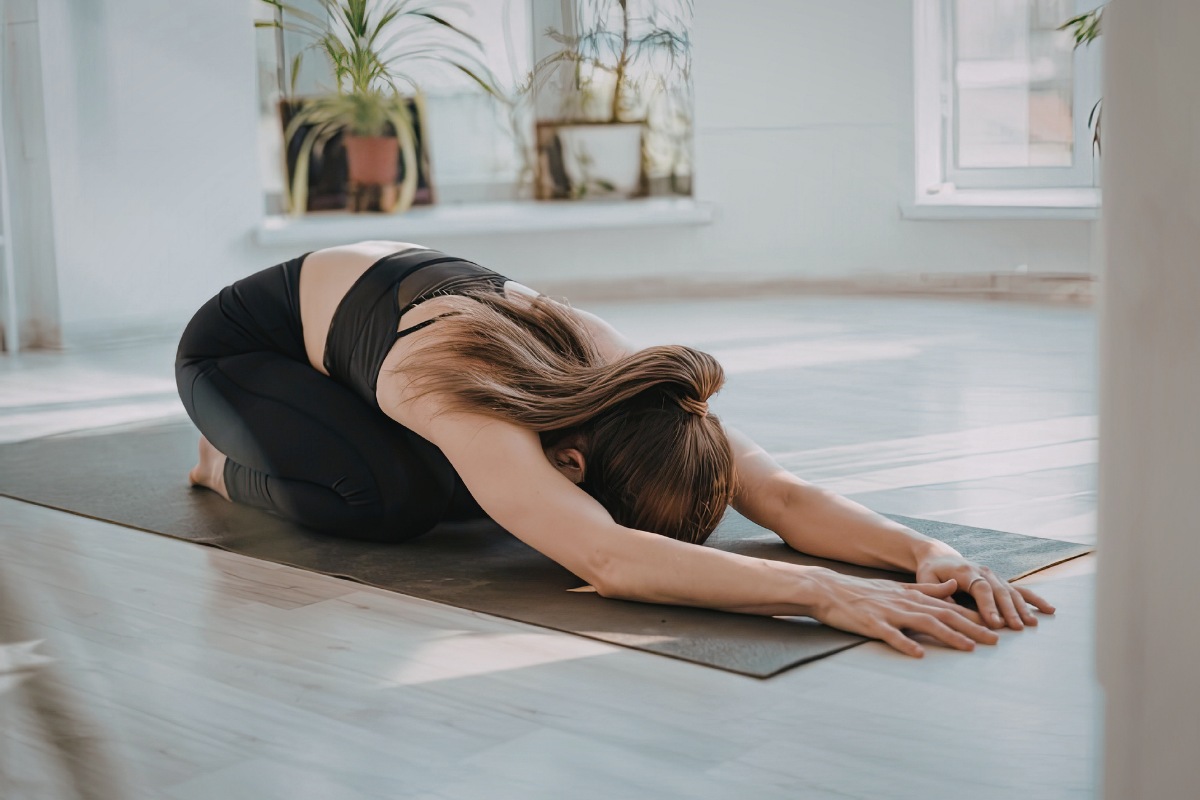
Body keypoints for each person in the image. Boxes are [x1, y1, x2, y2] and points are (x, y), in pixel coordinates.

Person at [176, 241, 1054, 658]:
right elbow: (610, 556)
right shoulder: (454, 388)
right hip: (243, 354)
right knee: (397, 501)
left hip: (375, 341)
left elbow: (780, 496)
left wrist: (929, 554)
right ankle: (222, 462)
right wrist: (819, 591)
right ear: (578, 464)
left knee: (476, 491)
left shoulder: (634, 385)